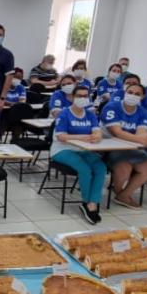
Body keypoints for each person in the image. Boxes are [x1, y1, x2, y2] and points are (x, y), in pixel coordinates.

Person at [50, 85, 106, 224]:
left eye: (85, 96)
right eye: (79, 96)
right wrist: (83, 137)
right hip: (62, 150)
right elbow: (62, 137)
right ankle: (87, 203)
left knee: (101, 168)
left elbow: (97, 130)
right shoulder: (64, 113)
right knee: (85, 169)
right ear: (73, 97)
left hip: (83, 149)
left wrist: (97, 136)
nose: (82, 98)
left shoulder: (90, 114)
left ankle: (94, 201)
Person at [100, 83, 147, 209]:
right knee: (124, 168)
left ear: (142, 97)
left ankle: (124, 195)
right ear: (125, 92)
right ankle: (118, 191)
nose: (133, 95)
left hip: (131, 146)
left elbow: (141, 131)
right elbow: (117, 132)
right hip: (110, 146)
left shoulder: (143, 112)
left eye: (137, 94)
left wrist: (144, 138)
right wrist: (140, 139)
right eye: (130, 92)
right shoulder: (112, 107)